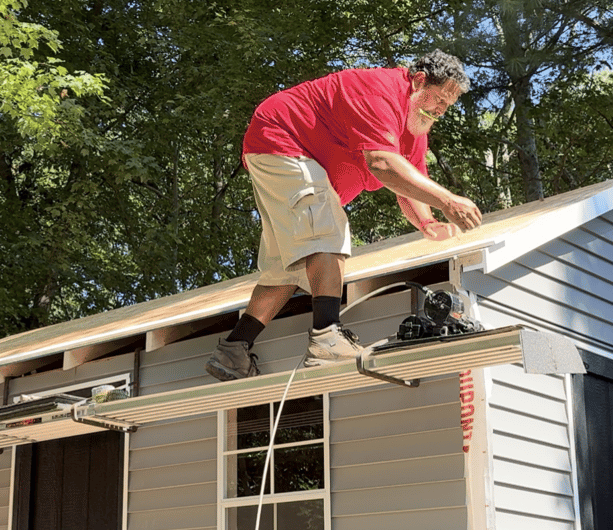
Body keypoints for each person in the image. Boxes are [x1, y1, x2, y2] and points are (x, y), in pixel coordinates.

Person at [204, 50, 485, 382]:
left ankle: (234, 350)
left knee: (287, 268)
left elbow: (408, 183)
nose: (440, 110)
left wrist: (427, 223)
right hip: (284, 141)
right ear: (419, 80)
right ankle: (326, 338)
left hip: (277, 154)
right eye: (438, 99)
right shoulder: (380, 91)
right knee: (330, 231)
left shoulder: (414, 129)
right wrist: (448, 200)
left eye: (447, 106)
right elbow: (382, 165)